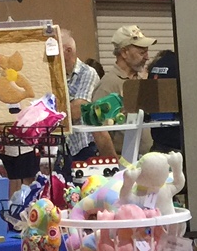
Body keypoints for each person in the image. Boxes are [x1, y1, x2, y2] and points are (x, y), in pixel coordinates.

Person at [98, 24, 156, 156]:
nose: (147, 57)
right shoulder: (109, 85)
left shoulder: (139, 81)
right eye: (142, 53)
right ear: (124, 53)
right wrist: (115, 163)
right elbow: (100, 131)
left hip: (146, 160)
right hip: (124, 161)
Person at [60, 30, 99, 164]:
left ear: (68, 50)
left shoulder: (87, 73)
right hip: (60, 146)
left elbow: (77, 111)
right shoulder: (54, 75)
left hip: (83, 147)